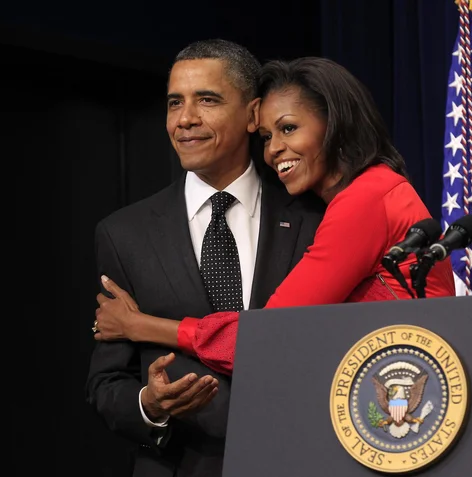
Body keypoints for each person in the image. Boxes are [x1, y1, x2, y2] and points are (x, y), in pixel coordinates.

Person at [92, 57, 456, 376]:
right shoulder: (371, 191)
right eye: (266, 136)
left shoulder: (366, 199)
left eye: (288, 128)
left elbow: (268, 338)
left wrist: (139, 325)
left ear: (335, 123)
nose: (274, 150)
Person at [86, 40, 325, 477]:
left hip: (300, 459)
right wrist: (149, 405)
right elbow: (105, 383)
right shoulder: (124, 233)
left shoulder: (315, 216)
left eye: (207, 100)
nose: (185, 119)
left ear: (253, 115)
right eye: (175, 102)